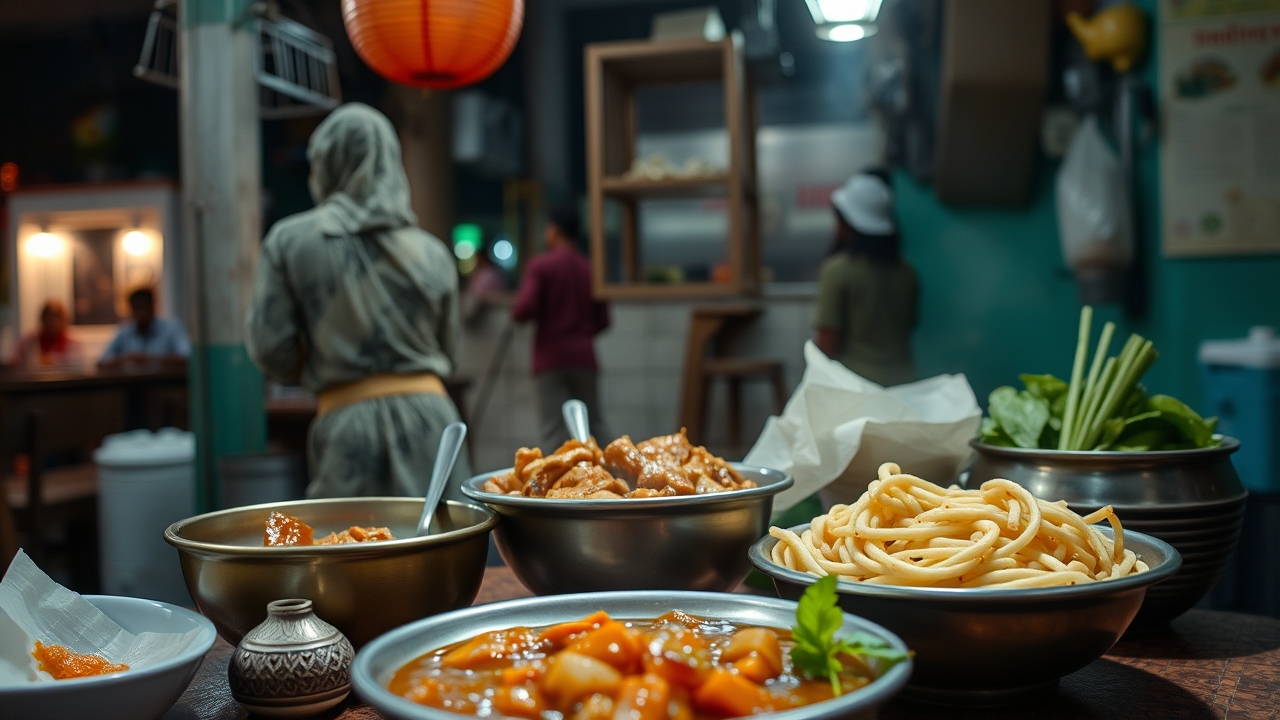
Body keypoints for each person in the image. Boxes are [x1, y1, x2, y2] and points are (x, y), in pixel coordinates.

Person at [245, 103, 470, 500]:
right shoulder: (432, 252)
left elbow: (271, 349)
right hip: (436, 422)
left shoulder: (291, 241)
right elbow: (450, 352)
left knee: (347, 535)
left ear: (327, 163)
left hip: (347, 421)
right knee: (444, 532)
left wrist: (322, 360)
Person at [512, 205, 611, 448]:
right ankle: (611, 469)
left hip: (550, 359)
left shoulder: (541, 266)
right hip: (584, 357)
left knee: (553, 431)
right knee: (594, 427)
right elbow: (604, 320)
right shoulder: (589, 268)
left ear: (554, 230)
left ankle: (557, 474)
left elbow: (522, 310)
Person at [814, 171, 919, 386]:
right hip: (905, 383)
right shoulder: (907, 273)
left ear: (847, 223)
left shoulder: (837, 271)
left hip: (856, 388)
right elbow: (909, 327)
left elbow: (827, 343)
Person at [98, 287, 190, 367]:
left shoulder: (172, 329)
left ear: (152, 307)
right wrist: (126, 359)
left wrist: (148, 359)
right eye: (136, 308)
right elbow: (102, 361)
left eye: (143, 307)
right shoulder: (124, 333)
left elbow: (186, 357)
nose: (140, 313)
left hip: (167, 381)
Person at [9, 299, 83, 368]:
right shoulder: (29, 340)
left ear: (63, 320)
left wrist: (53, 360)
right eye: (48, 316)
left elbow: (77, 365)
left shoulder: (72, 342)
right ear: (42, 318)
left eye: (56, 317)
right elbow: (13, 363)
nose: (52, 321)